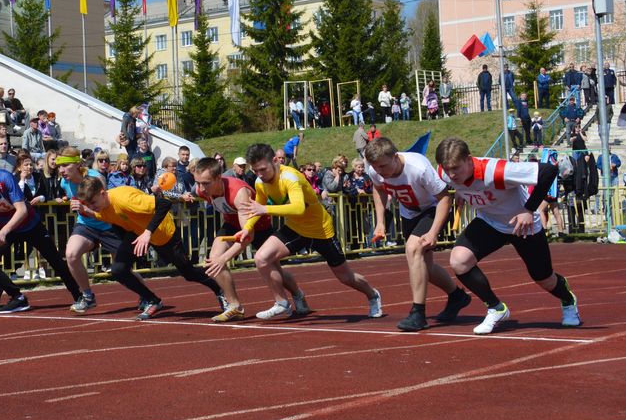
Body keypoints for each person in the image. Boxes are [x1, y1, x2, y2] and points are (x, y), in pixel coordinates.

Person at [435, 137, 580, 334]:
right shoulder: (444, 173)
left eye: (456, 168)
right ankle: (496, 308)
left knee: (543, 278)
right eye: (447, 168)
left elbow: (549, 171)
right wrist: (461, 191)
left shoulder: (496, 170)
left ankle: (568, 299)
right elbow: (454, 182)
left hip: (522, 224)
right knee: (459, 261)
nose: (451, 174)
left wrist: (529, 210)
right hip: (490, 222)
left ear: (469, 160)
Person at [238, 143, 383, 320]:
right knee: (262, 258)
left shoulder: (291, 177)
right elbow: (257, 208)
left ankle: (373, 294)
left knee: (345, 277)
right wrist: (247, 228)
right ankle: (282, 303)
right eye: (255, 171)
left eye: (262, 169)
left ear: (275, 161)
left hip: (321, 230)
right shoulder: (261, 182)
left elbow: (298, 208)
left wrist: (266, 210)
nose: (259, 175)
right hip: (295, 228)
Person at [76, 176, 228, 321]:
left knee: (188, 273)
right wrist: (87, 211)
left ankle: (220, 290)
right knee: (118, 269)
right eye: (89, 205)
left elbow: (164, 204)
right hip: (137, 233)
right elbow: (106, 216)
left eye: (93, 203)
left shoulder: (125, 199)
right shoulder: (102, 206)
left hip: (162, 232)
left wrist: (148, 233)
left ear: (103, 193)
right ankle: (152, 300)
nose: (93, 207)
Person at [364, 137, 472, 331]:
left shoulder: (418, 168)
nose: (380, 172)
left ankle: (418, 313)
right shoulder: (375, 170)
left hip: (433, 208)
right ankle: (457, 296)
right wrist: (380, 222)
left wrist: (433, 232)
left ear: (395, 157)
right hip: (409, 212)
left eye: (383, 166)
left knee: (413, 250)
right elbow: (378, 189)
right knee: (425, 267)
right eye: (375, 167)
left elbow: (444, 199)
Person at [0, 155, 83, 313]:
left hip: (30, 225)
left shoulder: (5, 178)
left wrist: (3, 232)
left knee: (56, 261)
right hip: (4, 226)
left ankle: (79, 295)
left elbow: (22, 210)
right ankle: (17, 297)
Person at [193, 157, 308, 322]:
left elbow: (248, 236)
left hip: (257, 227)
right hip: (232, 223)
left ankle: (298, 294)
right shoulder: (200, 190)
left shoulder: (239, 193)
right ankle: (234, 306)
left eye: (205, 183)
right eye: (198, 183)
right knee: (214, 260)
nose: (201, 188)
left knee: (274, 269)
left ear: (218, 178)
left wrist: (225, 258)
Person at [54, 147, 128, 313]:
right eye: (59, 166)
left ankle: (145, 295)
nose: (61, 170)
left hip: (107, 224)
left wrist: (85, 209)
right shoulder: (64, 182)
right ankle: (87, 297)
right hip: (86, 225)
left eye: (65, 165)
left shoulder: (95, 178)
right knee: (71, 255)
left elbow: (105, 208)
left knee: (121, 270)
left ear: (77, 164)